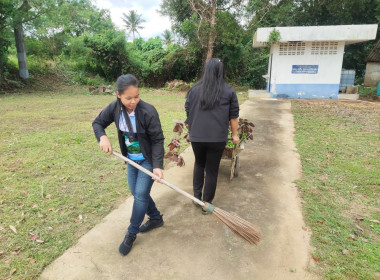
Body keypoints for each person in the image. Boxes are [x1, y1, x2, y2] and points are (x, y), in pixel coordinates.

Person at [92, 74, 165, 256]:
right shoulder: (115, 108)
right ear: (118, 95)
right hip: (131, 159)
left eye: (137, 96)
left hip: (147, 159)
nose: (133, 101)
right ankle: (155, 218)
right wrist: (102, 137)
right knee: (136, 192)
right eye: (128, 98)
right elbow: (98, 123)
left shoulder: (148, 111)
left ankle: (131, 232)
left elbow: (157, 140)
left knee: (140, 195)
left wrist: (157, 165)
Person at [185, 58, 240, 214]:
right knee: (211, 170)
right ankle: (206, 203)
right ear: (221, 71)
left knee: (199, 164)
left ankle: (196, 198)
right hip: (217, 139)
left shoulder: (194, 90)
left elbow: (188, 110)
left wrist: (191, 125)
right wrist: (235, 135)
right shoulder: (229, 91)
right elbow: (233, 117)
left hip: (197, 137)